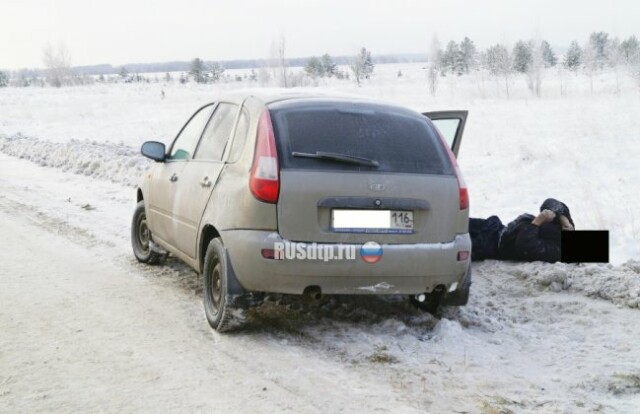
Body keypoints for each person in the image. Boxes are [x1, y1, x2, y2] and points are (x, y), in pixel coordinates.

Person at [469, 198, 574, 263]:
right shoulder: (568, 228)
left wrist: (538, 221)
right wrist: (564, 219)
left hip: (493, 244)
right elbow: (550, 202)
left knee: (456, 243)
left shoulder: (556, 252)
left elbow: (526, 245)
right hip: (497, 227)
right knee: (457, 221)